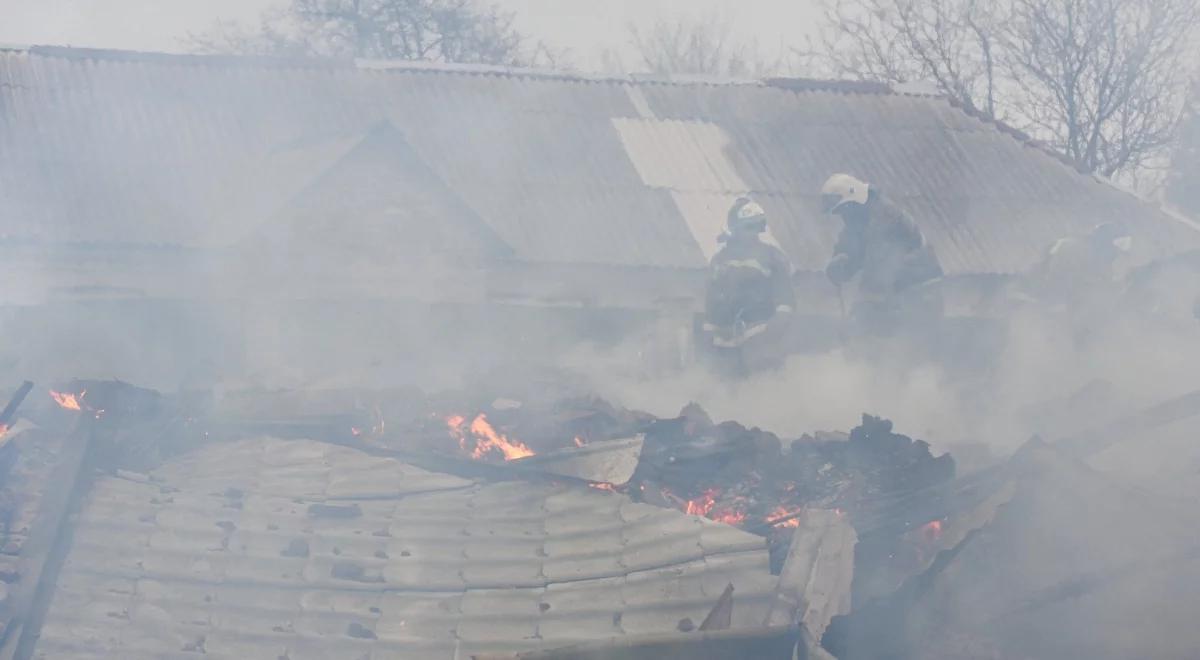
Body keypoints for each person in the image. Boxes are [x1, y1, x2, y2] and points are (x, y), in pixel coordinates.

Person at [820, 174, 944, 338]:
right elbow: (850, 247)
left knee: (893, 340)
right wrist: (840, 264)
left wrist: (858, 314)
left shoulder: (885, 215)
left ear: (854, 199)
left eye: (843, 209)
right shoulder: (857, 218)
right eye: (839, 212)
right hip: (899, 289)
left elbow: (879, 268)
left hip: (919, 288)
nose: (843, 215)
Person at [702, 197, 796, 375]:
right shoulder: (720, 260)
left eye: (756, 226)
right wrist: (709, 333)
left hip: (760, 340)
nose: (752, 232)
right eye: (747, 227)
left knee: (762, 393)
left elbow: (785, 297)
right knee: (724, 395)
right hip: (724, 343)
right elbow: (711, 301)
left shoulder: (771, 256)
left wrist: (774, 329)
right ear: (735, 228)